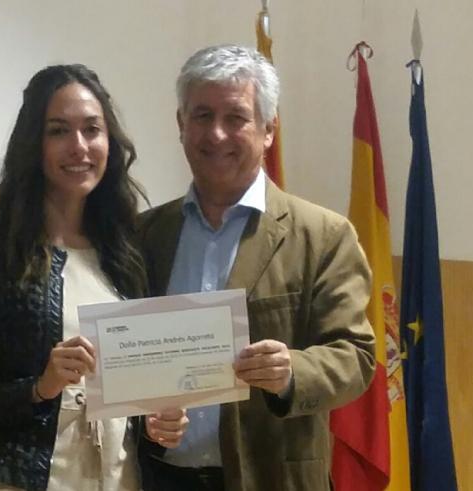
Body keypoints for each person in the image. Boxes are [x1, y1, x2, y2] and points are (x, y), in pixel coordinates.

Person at [0, 64, 188, 491]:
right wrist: (39, 387)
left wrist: (161, 421)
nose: (79, 146)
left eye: (92, 129)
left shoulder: (129, 255)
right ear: (33, 143)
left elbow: (140, 391)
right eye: (58, 131)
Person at [135, 45, 377, 491]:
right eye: (202, 116)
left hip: (273, 478)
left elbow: (356, 356)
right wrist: (144, 413)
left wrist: (292, 372)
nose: (217, 135)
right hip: (157, 478)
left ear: (269, 129)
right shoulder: (144, 235)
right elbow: (127, 359)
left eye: (236, 117)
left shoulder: (322, 235)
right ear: (180, 125)